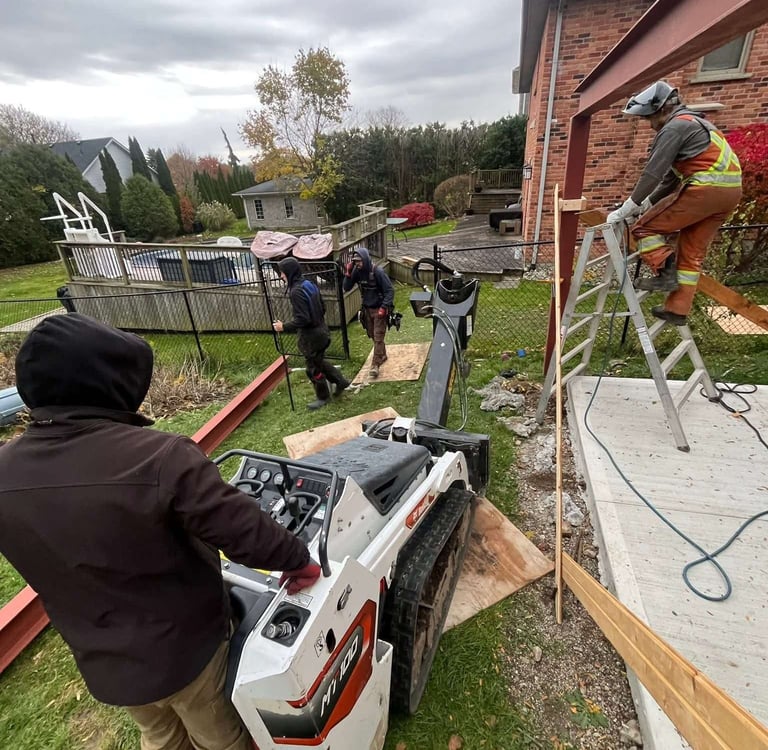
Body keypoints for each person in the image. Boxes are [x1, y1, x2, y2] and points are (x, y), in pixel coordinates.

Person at [0, 313, 321, 750]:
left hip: (108, 663)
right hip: (186, 653)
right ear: (108, 383)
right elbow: (242, 530)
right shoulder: (159, 458)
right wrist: (298, 561)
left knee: (159, 736)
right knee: (218, 737)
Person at [607, 80, 742, 325]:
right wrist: (646, 202)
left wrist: (628, 208)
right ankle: (677, 310)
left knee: (643, 228)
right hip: (729, 194)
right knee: (691, 253)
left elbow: (653, 173)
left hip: (706, 188)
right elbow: (669, 178)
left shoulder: (674, 127)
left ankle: (665, 271)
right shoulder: (698, 125)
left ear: (661, 110)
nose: (649, 125)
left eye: (650, 118)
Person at [272, 256, 350, 410]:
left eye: (282, 273)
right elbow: (322, 307)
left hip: (311, 337)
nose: (280, 276)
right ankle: (340, 381)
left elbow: (303, 319)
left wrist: (283, 327)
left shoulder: (296, 292)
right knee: (318, 362)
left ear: (289, 272)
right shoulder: (309, 284)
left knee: (312, 369)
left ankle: (323, 397)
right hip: (322, 330)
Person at [342, 246, 395, 378]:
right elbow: (346, 287)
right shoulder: (356, 271)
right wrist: (348, 274)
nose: (357, 264)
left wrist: (384, 307)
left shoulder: (378, 272)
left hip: (379, 309)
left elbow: (390, 291)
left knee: (378, 337)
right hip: (367, 309)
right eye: (355, 262)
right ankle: (382, 355)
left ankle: (374, 365)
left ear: (365, 259)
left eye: (359, 261)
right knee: (372, 335)